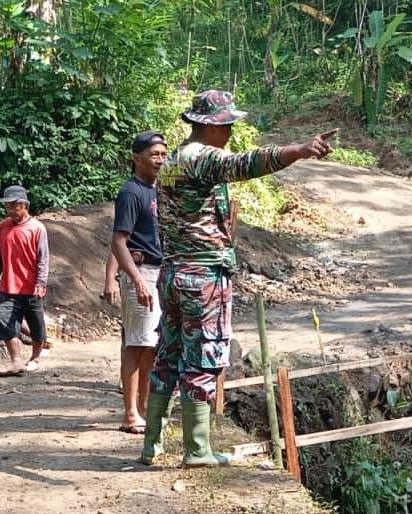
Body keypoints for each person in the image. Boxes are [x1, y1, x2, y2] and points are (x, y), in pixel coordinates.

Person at [141, 90, 336, 467]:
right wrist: (298, 149)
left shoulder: (174, 160)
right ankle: (197, 449)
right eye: (227, 124)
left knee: (169, 354)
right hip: (203, 277)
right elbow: (248, 163)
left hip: (173, 274)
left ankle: (152, 444)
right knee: (202, 356)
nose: (230, 131)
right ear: (210, 125)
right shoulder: (204, 158)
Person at [104, 130, 167, 434]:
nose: (160, 160)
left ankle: (143, 409)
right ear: (137, 157)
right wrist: (136, 280)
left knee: (150, 346)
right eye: (154, 154)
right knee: (135, 344)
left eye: (163, 155)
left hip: (159, 273)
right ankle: (130, 413)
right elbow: (119, 241)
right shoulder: (131, 192)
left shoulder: (159, 190)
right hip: (142, 275)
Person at [0, 185, 49, 376]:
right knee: (6, 322)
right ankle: (16, 360)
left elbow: (43, 259)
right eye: (8, 207)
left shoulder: (37, 228)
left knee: (36, 324)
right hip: (8, 286)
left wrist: (41, 282)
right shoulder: (4, 226)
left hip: (31, 287)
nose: (11, 210)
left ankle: (35, 358)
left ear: (24, 205)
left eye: (14, 206)